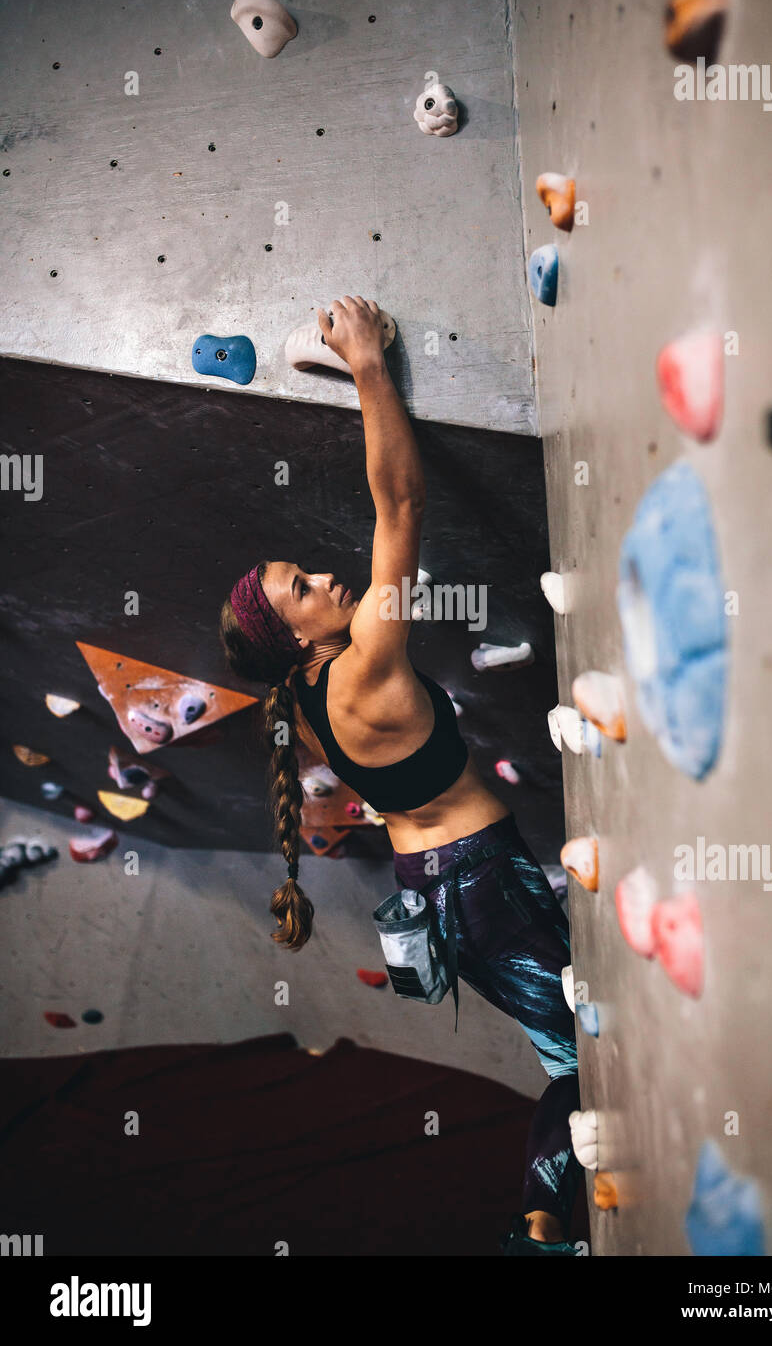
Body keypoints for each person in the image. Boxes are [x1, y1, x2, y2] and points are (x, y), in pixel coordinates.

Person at [220, 296, 587, 1255]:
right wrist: (371, 367)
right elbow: (402, 508)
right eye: (304, 589)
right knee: (587, 1060)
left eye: (305, 571)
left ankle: (553, 1223)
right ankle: (543, 1234)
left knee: (582, 1047)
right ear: (295, 634)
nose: (326, 580)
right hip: (478, 891)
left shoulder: (300, 701)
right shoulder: (363, 667)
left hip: (449, 890)